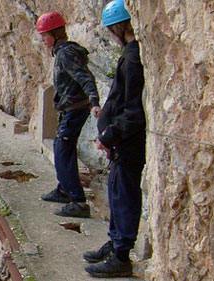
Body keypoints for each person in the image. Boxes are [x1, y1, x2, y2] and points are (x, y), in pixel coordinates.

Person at [83, 0, 146, 277]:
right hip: (123, 143)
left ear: (120, 28)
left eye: (110, 31)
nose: (110, 36)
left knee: (124, 197)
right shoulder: (130, 57)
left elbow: (133, 111)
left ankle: (121, 255)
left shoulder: (133, 60)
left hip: (128, 143)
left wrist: (109, 135)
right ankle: (115, 242)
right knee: (116, 193)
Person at [36, 11, 101, 218]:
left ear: (55, 34)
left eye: (45, 36)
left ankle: (78, 202)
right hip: (70, 109)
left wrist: (94, 101)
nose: (43, 41)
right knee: (63, 148)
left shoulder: (66, 53)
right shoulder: (63, 51)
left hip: (75, 109)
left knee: (62, 150)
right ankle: (64, 189)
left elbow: (85, 77)